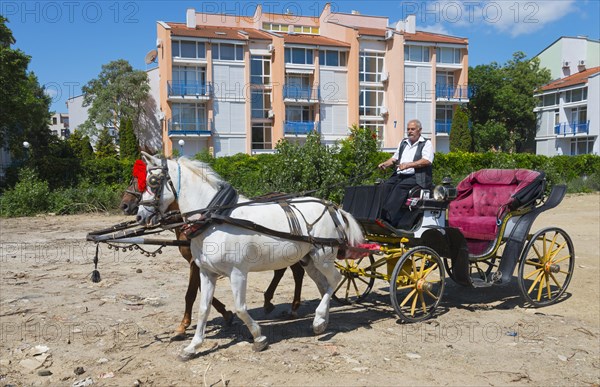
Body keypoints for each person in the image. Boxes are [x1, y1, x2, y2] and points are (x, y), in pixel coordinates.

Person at [377, 119, 434, 228]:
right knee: (385, 186)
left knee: (400, 188)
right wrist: (386, 163)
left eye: (412, 129)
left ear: (419, 130)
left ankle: (389, 219)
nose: (410, 131)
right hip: (400, 175)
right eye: (408, 129)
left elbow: (427, 160)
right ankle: (380, 214)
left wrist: (408, 165)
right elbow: (394, 158)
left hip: (416, 177)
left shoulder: (426, 143)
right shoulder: (403, 143)